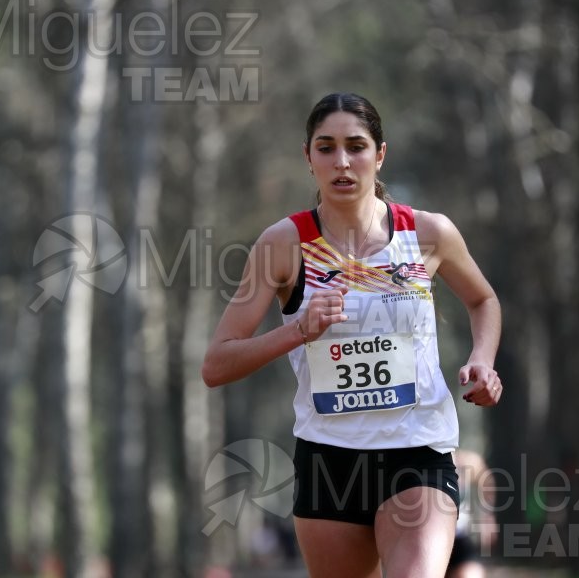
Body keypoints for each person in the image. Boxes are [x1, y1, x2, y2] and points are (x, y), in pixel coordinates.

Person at [202, 92, 502, 578]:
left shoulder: (426, 233)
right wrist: (300, 330)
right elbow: (217, 365)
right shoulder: (283, 245)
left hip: (417, 450)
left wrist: (483, 360)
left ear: (380, 154)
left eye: (356, 146)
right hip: (329, 463)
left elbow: (483, 299)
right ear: (308, 157)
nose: (342, 162)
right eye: (326, 147)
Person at [446, 449, 498, 578]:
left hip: (460, 540)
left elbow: (487, 482)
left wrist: (487, 517)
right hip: (427, 540)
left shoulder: (465, 461)